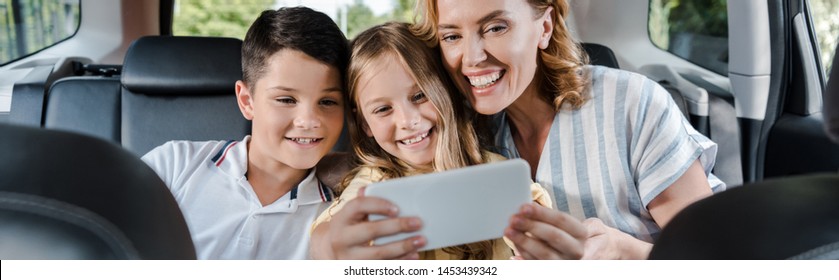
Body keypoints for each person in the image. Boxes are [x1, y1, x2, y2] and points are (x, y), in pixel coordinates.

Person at [413, 0, 726, 259]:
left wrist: (624, 252)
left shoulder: (632, 104)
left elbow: (716, 259)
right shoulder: (458, 139)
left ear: (545, 28)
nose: (472, 57)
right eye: (452, 37)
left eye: (496, 27)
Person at [309, 22, 552, 260]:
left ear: (447, 91)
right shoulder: (375, 181)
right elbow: (327, 235)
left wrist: (533, 242)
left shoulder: (494, 170)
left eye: (419, 95)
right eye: (383, 109)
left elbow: (532, 215)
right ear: (364, 124)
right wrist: (332, 245)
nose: (408, 120)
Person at [141, 7, 349, 259]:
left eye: (327, 102)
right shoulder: (174, 164)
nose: (309, 121)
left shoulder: (339, 211)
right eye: (286, 99)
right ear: (247, 100)